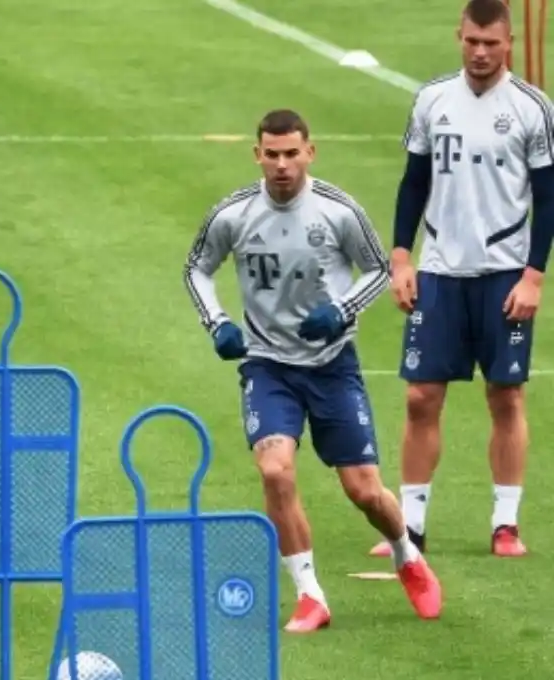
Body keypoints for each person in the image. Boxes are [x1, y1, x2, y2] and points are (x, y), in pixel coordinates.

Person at [183, 109, 442, 633]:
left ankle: (406, 556)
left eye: (291, 153)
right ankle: (310, 596)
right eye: (272, 154)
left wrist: (342, 311)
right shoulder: (233, 214)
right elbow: (197, 268)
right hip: (267, 365)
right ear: (257, 155)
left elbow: (380, 269)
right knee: (274, 468)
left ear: (310, 152)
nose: (282, 165)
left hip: (331, 367)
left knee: (364, 490)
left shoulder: (337, 210)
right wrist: (217, 323)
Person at [371, 0, 554, 560]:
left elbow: (547, 199)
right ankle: (411, 528)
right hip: (440, 270)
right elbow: (412, 183)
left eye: (491, 44)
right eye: (472, 41)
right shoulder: (432, 98)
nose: (480, 52)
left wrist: (534, 277)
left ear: (509, 44)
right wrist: (402, 259)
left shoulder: (531, 108)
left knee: (506, 395)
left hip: (504, 273)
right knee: (421, 397)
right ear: (460, 37)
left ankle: (505, 524)